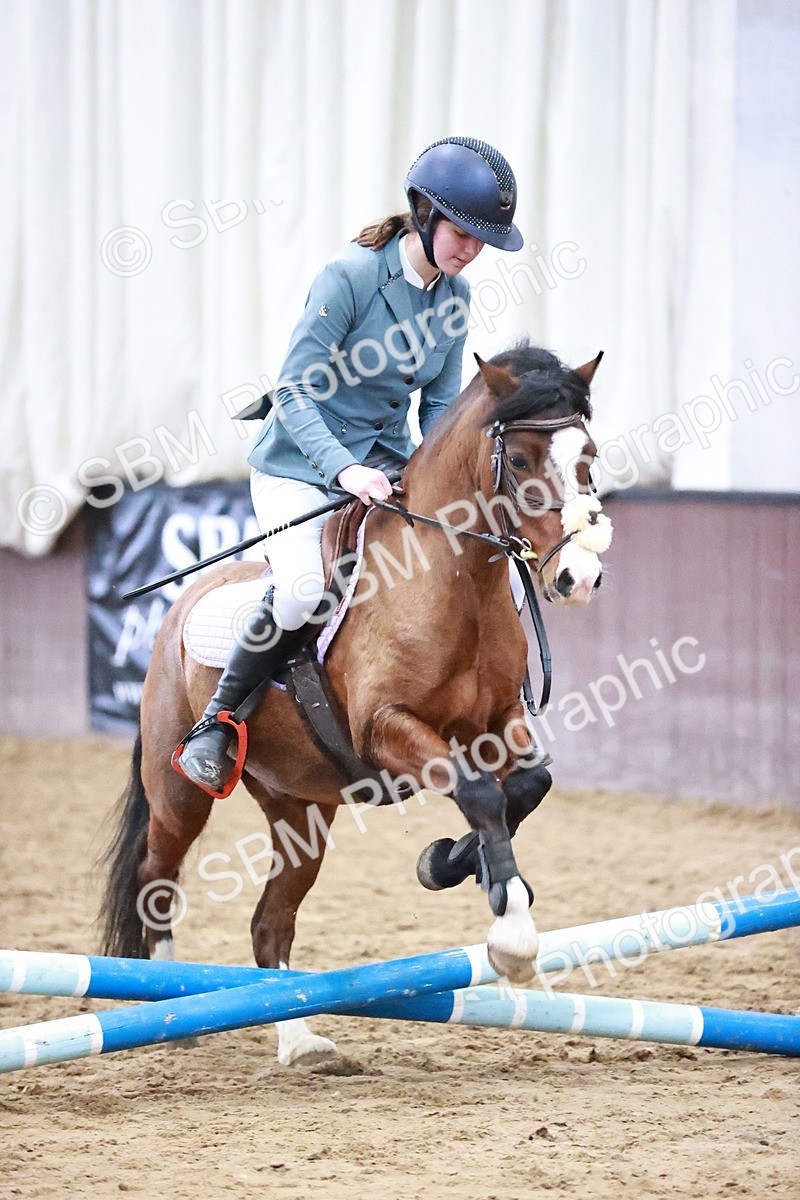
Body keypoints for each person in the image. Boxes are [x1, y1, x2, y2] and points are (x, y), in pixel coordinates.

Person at [176, 136, 525, 793]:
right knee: (304, 587)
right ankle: (218, 721)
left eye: (482, 241)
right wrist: (343, 471)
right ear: (424, 214)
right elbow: (294, 391)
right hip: (298, 465)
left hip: (384, 464)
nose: (471, 251)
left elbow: (441, 406)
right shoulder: (350, 277)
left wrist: (435, 476)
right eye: (462, 234)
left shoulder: (454, 298)